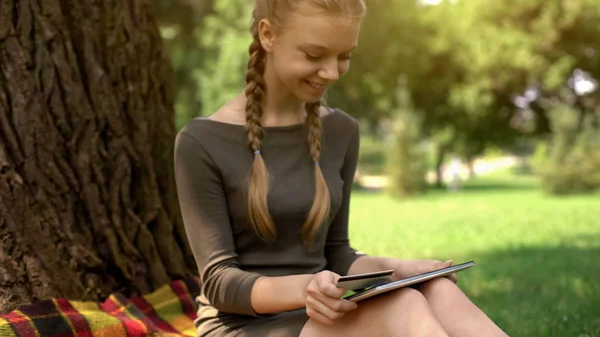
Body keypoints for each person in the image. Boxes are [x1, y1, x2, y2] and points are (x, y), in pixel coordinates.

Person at [174, 0, 510, 336]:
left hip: (322, 315)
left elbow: (337, 252)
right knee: (404, 307)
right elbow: (219, 282)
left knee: (438, 291)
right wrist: (309, 288)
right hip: (243, 326)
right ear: (268, 35)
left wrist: (401, 270)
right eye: (313, 55)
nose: (332, 73)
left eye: (344, 56)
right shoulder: (201, 142)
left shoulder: (341, 131)